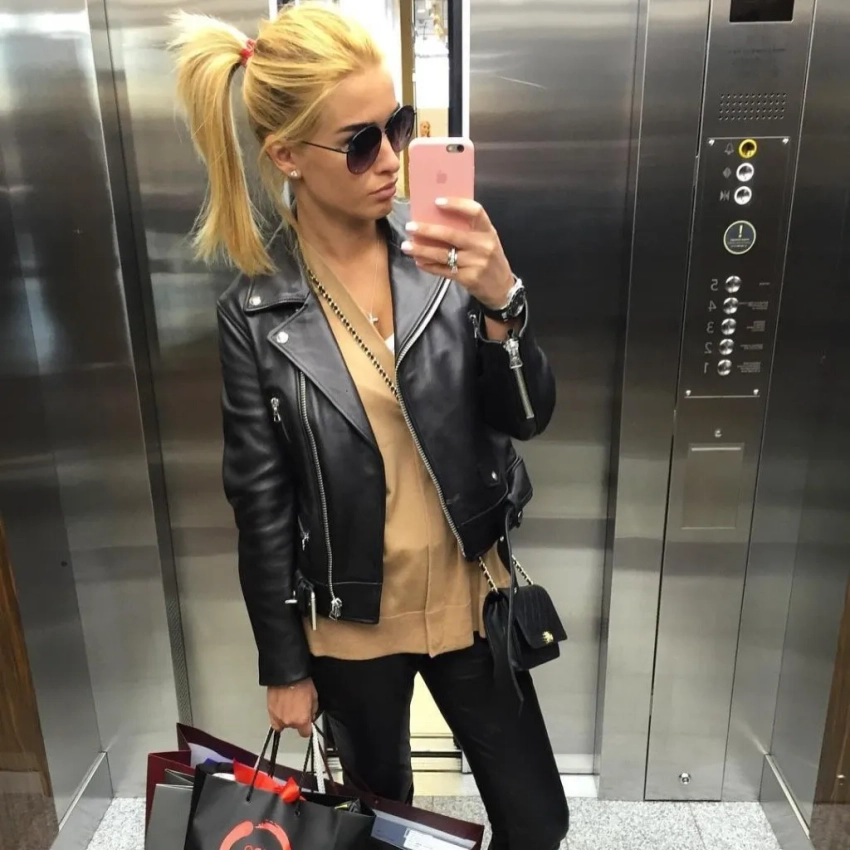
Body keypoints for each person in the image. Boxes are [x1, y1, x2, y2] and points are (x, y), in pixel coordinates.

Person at [170, 5, 568, 849]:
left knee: (538, 820)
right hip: (350, 627)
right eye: (359, 143)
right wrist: (284, 666)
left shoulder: (446, 255)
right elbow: (261, 503)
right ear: (287, 156)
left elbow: (527, 417)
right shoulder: (256, 311)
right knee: (374, 828)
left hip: (471, 598)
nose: (390, 159)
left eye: (397, 126)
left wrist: (503, 303)